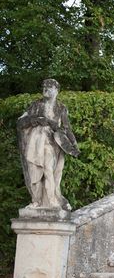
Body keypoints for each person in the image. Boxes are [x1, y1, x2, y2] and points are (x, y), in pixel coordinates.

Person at [17, 78, 79, 210]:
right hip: (36, 142)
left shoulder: (61, 108)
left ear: (56, 90)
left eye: (49, 87)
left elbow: (67, 128)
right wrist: (36, 119)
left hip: (52, 142)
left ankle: (52, 200)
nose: (45, 89)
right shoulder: (36, 105)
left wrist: (74, 144)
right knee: (35, 172)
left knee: (49, 170)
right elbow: (21, 122)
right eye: (44, 86)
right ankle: (36, 201)